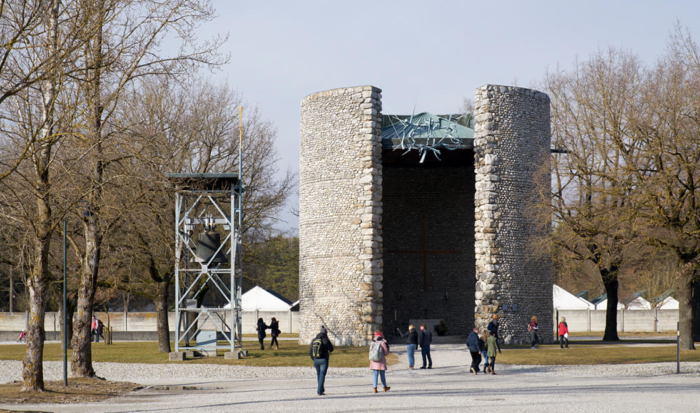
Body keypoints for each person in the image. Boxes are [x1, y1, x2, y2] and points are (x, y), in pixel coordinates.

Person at [309, 326, 334, 396]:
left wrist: (314, 358)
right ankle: (319, 391)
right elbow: (331, 349)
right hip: (323, 360)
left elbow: (310, 351)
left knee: (319, 374)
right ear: (326, 333)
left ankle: (321, 389)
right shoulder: (325, 339)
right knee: (322, 375)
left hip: (316, 360)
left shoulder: (314, 339)